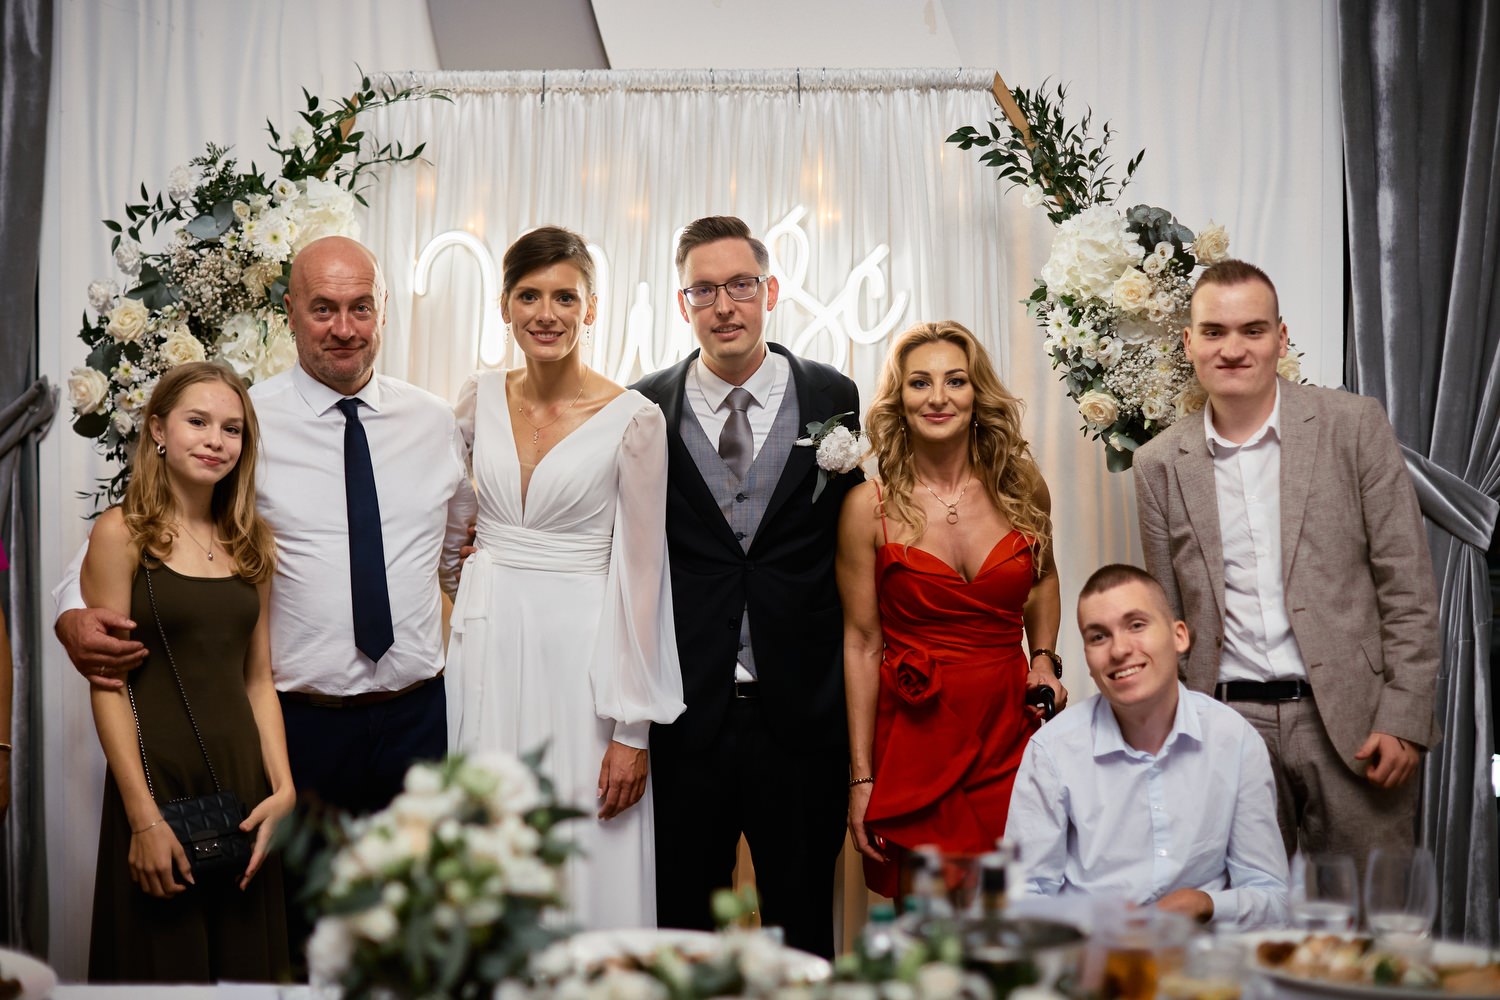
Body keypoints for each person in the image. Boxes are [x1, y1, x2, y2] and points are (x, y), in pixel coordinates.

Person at [55, 236, 476, 966]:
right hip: (299, 727)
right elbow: (150, 528)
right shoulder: (242, 423)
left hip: (417, 719)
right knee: (302, 940)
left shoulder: (436, 421)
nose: (344, 327)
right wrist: (71, 613)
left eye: (360, 307)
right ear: (289, 313)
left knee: (415, 933)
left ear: (382, 311)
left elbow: (465, 544)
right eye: (323, 308)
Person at [1133, 260, 1440, 868]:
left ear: (1281, 337)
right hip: (1225, 726)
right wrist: (1174, 737)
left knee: (1366, 919)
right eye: (1214, 332)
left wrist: (1404, 715)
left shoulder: (1354, 426)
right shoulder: (1158, 463)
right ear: (1189, 343)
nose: (1233, 349)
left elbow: (1406, 585)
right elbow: (1168, 622)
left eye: (1252, 330)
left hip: (1356, 723)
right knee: (1237, 917)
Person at [633, 216, 860, 959]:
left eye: (739, 285)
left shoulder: (833, 394)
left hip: (801, 715)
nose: (723, 305)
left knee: (802, 931)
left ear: (771, 290)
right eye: (704, 290)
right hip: (685, 717)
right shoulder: (643, 408)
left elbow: (852, 536)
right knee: (683, 933)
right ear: (683, 304)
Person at [446, 226, 684, 928]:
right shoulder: (477, 398)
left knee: (581, 841)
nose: (546, 313)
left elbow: (644, 577)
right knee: (484, 840)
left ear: (592, 308)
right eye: (529, 296)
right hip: (486, 649)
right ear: (504, 306)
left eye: (565, 297)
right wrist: (465, 587)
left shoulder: (634, 420)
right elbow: (452, 521)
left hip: (583, 665)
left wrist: (632, 730)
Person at [80, 362, 293, 980]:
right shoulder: (121, 534)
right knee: (164, 967)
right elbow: (108, 684)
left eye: (231, 429)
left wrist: (283, 790)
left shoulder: (252, 539)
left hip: (245, 785)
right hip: (156, 783)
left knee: (245, 970)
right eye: (197, 422)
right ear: (157, 430)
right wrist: (142, 816)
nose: (215, 441)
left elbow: (259, 680)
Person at [840, 320, 1066, 898]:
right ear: (899, 400)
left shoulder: (1022, 487)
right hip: (917, 740)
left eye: (955, 381)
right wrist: (862, 778)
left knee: (1014, 910)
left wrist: (1043, 658)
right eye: (920, 382)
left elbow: (1042, 579)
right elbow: (861, 643)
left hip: (1011, 729)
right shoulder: (868, 508)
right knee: (932, 926)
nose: (938, 397)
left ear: (976, 394)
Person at [1005, 564, 1288, 930]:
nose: (1119, 649)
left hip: (1206, 956)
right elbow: (1021, 897)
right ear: (1087, 658)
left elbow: (1272, 898)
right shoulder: (1052, 752)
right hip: (1091, 955)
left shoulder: (1234, 740)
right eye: (1098, 636)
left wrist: (1206, 904)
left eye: (1136, 625)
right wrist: (1097, 923)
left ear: (1179, 636)